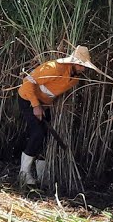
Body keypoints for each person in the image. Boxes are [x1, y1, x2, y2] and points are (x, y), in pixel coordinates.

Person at [16, 45, 98, 187]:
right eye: (80, 66)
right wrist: (36, 105)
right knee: (37, 134)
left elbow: (51, 93)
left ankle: (42, 176)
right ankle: (24, 174)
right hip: (27, 99)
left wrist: (45, 106)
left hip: (44, 105)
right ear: (73, 62)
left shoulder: (74, 79)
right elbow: (28, 82)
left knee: (45, 137)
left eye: (84, 66)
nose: (83, 69)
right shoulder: (53, 67)